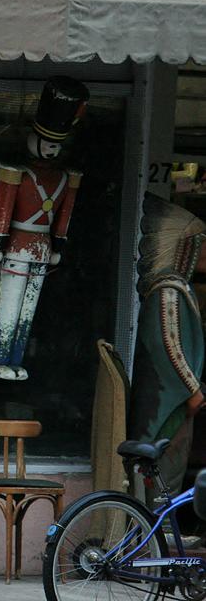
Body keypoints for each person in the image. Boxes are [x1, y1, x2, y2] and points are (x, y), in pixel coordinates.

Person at [0, 76, 89, 381]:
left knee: (27, 312)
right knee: (8, 307)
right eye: (48, 143)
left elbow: (64, 216)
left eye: (57, 145)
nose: (52, 150)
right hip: (16, 246)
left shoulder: (65, 178)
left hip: (41, 250)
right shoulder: (17, 172)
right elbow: (2, 209)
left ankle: (15, 360)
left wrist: (59, 245)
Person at [130, 195, 206, 500]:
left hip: (174, 400)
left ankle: (164, 525)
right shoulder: (169, 292)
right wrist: (193, 391)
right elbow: (170, 347)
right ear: (186, 246)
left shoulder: (173, 288)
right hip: (169, 403)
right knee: (166, 461)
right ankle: (159, 526)